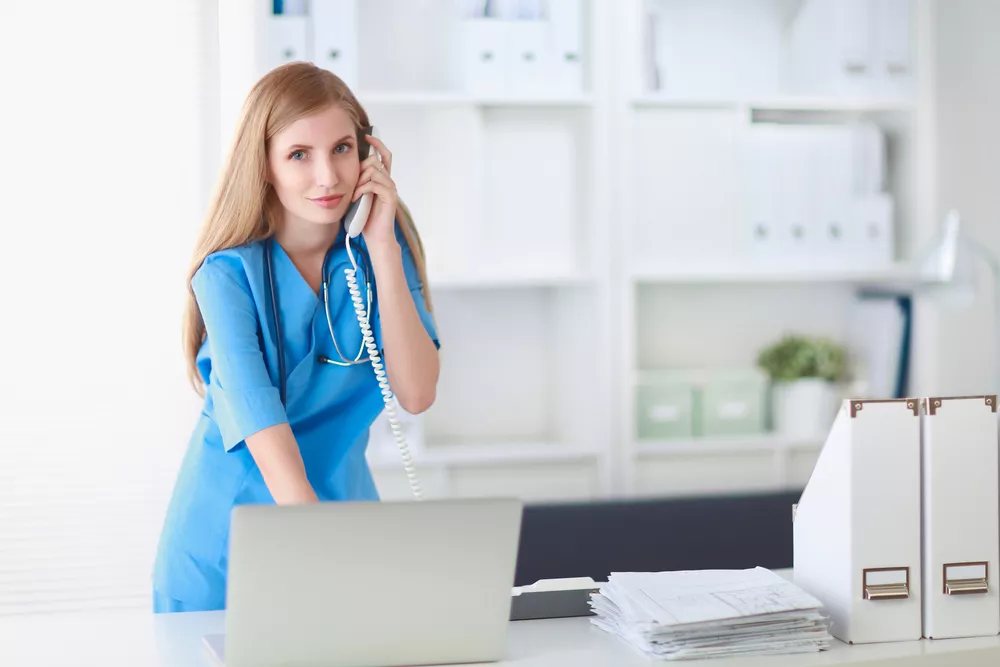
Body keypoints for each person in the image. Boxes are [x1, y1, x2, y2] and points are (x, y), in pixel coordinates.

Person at [151, 61, 441, 613]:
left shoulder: (382, 252)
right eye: (298, 155)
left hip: (339, 519)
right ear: (263, 166)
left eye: (341, 149)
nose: (328, 177)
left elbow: (418, 393)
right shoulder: (225, 277)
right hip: (230, 546)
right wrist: (327, 563)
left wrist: (381, 245)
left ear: (368, 154)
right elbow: (264, 429)